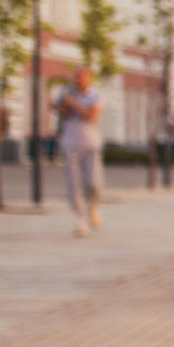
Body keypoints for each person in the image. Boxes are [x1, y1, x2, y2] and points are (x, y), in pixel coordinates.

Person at [55, 68, 104, 237]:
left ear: (89, 79)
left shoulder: (96, 95)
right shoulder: (66, 93)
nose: (78, 80)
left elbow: (92, 116)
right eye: (76, 77)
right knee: (73, 185)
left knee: (94, 184)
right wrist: (60, 105)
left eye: (82, 77)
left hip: (91, 145)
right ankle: (79, 222)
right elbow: (62, 112)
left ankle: (92, 207)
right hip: (70, 144)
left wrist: (73, 104)